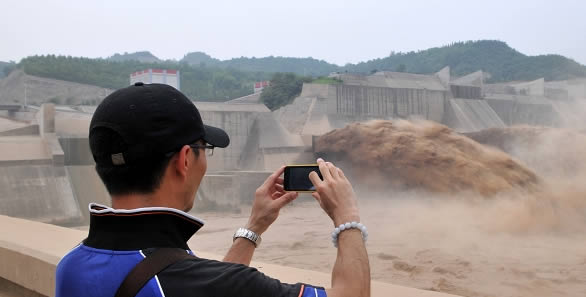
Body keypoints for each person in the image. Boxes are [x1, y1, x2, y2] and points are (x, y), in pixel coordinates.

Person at [55, 83, 370, 297]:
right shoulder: (205, 282)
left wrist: (254, 227)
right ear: (184, 159)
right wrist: (347, 219)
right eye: (203, 147)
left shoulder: (71, 266)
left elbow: (207, 285)